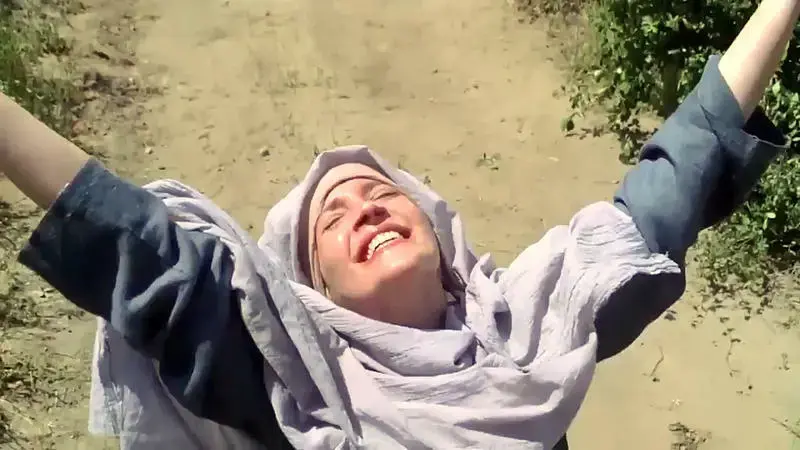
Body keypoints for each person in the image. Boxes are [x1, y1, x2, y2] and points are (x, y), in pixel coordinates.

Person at [0, 0, 796, 447]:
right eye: (331, 219)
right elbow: (140, 246)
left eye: (381, 192)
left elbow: (681, 166)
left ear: (442, 243)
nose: (366, 208)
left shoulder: (536, 329)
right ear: (314, 295)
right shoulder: (298, 394)